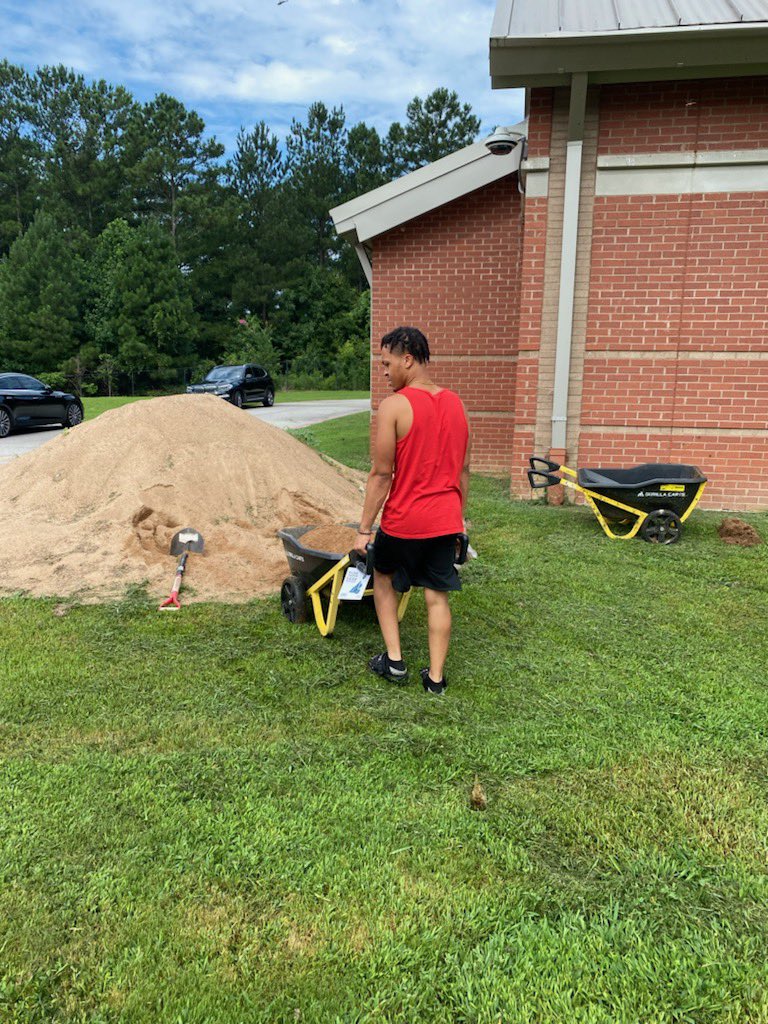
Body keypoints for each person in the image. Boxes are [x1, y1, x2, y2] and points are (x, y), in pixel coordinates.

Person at [353, 326, 470, 695]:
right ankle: (436, 680)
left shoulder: (394, 406)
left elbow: (380, 473)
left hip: (403, 521)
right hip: (445, 520)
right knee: (437, 595)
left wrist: (363, 529)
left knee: (384, 579)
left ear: (408, 359)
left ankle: (395, 661)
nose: (384, 372)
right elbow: (463, 471)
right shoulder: (458, 403)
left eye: (386, 364)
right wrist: (459, 519)